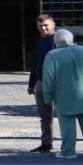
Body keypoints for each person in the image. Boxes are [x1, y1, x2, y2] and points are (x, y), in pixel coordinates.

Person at [41, 29, 83, 159]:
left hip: (64, 97)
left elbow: (48, 78)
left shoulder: (52, 55)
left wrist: (47, 96)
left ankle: (68, 151)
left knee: (67, 127)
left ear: (56, 41)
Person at [27, 14, 57, 153]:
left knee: (65, 115)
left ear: (53, 25)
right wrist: (31, 83)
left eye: (46, 25)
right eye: (40, 26)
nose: (43, 28)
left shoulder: (58, 41)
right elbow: (35, 64)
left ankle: (68, 143)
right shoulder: (39, 42)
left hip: (58, 83)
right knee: (45, 116)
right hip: (40, 82)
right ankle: (46, 143)